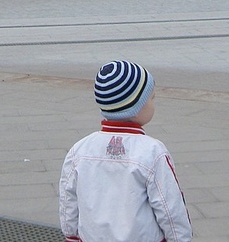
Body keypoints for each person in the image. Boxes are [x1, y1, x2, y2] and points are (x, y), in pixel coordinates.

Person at [59, 60, 192, 242]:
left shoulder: (79, 150)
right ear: (136, 107)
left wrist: (71, 235)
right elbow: (170, 207)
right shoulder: (153, 152)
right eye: (152, 98)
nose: (154, 104)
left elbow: (68, 201)